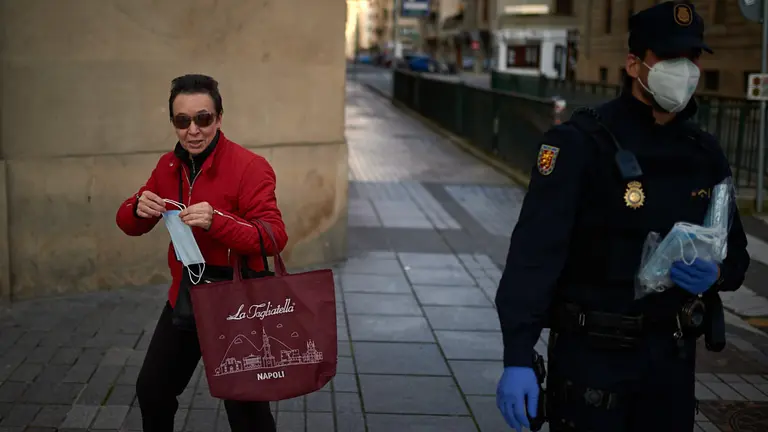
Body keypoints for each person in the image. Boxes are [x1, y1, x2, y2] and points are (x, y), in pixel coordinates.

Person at [494, 2, 751, 431]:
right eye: (668, 58)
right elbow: (533, 257)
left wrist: (717, 273)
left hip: (670, 365)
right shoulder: (580, 144)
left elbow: (736, 252)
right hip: (592, 365)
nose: (683, 69)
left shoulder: (704, 153)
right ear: (634, 64)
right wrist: (517, 356)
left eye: (691, 58)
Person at [116, 74, 288, 431]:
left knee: (246, 411)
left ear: (219, 118)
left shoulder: (250, 167)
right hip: (187, 297)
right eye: (183, 120)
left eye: (203, 118)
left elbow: (273, 237)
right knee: (153, 390)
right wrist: (136, 207)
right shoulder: (168, 166)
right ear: (174, 124)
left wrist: (216, 221)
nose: (193, 130)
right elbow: (129, 224)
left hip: (239, 303)